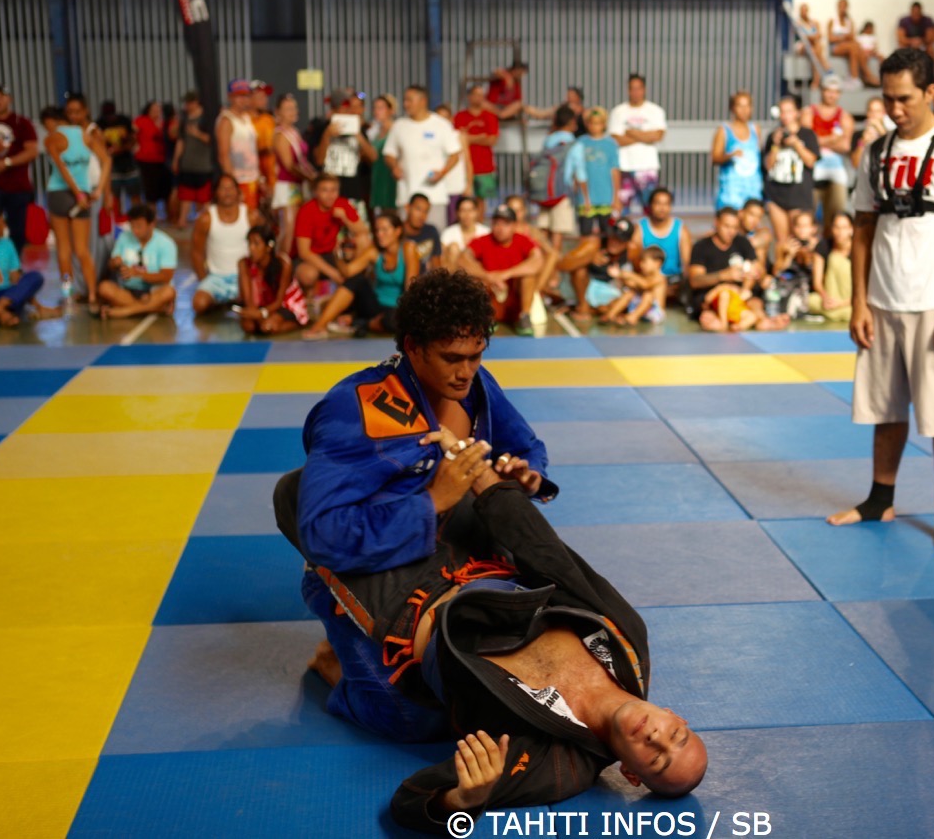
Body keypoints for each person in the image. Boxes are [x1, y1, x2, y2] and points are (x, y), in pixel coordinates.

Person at [272, 269, 704, 825]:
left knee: (411, 719)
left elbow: (525, 445)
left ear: (632, 775)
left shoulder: (563, 763)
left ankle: (344, 669)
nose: (468, 371)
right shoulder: (624, 641)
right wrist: (462, 496)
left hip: (411, 600)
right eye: (454, 356)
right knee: (296, 492)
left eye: (477, 355)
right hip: (426, 544)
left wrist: (461, 801)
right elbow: (551, 558)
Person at [828, 48, 934, 553]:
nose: (895, 108)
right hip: (883, 299)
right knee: (885, 409)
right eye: (887, 98)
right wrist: (859, 301)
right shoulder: (874, 152)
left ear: (931, 92)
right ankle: (881, 498)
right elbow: (861, 231)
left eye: (904, 98)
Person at [303, 210, 419, 340]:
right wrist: (337, 255)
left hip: (396, 310)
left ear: (398, 231)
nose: (380, 234)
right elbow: (347, 272)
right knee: (357, 280)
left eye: (385, 230)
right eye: (377, 230)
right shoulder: (374, 252)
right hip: (374, 306)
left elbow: (410, 289)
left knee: (393, 322)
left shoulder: (408, 248)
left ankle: (358, 322)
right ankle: (320, 326)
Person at [45, 98, 109, 314]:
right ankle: (91, 295)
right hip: (80, 194)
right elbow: (107, 161)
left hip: (61, 193)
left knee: (64, 250)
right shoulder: (86, 136)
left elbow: (61, 169)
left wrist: (80, 193)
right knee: (82, 250)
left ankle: (68, 295)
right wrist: (96, 189)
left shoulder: (53, 138)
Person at [384, 86, 461, 230]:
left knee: (435, 238)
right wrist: (394, 166)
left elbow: (455, 154)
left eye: (409, 100)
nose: (406, 104)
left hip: (435, 196)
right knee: (406, 240)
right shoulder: (399, 126)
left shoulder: (441, 124)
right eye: (405, 100)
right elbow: (389, 153)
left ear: (423, 101)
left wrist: (443, 172)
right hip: (406, 195)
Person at [458, 205, 543, 334]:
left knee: (528, 275)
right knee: (473, 277)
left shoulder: (522, 240)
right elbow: (463, 259)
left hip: (514, 299)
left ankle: (524, 317)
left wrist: (505, 274)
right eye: (496, 223)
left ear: (514, 225)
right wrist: (488, 276)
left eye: (506, 223)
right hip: (491, 299)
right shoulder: (483, 240)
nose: (500, 228)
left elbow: (538, 261)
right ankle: (484, 317)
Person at [0, 204, 60, 325]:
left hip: (5, 295)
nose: (4, 227)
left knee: (35, 277)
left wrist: (18, 281)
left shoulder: (7, 243)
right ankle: (0, 312)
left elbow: (15, 278)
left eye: (3, 223)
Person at [0, 85, 38, 252]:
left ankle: (14, 263)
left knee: (18, 230)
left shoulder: (22, 123)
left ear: (9, 99)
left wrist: (7, 162)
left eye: (1, 97)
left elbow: (32, 151)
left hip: (17, 186)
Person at [309, 86, 379, 219]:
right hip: (327, 197)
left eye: (350, 106)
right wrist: (327, 135)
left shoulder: (358, 129)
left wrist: (358, 135)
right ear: (335, 108)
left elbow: (373, 158)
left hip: (353, 192)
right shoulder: (322, 128)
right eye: (345, 105)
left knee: (358, 235)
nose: (349, 110)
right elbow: (318, 160)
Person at [295, 174, 373, 291]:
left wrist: (345, 219)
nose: (330, 195)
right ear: (315, 192)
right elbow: (304, 252)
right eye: (324, 190)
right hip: (312, 257)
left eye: (333, 190)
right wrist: (332, 273)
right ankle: (308, 300)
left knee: (364, 240)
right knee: (308, 275)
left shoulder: (341, 204)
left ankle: (352, 279)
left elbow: (363, 231)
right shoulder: (306, 211)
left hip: (333, 254)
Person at [98, 203, 177, 319]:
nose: (135, 230)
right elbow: (111, 265)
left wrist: (138, 274)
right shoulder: (124, 237)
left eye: (139, 226)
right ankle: (156, 308)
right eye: (132, 226)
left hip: (154, 290)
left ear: (151, 225)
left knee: (169, 292)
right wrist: (115, 263)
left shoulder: (166, 243)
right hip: (127, 290)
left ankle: (127, 311)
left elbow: (166, 276)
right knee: (104, 288)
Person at [191, 174, 255, 314]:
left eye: (231, 188)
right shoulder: (205, 219)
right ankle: (224, 303)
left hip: (244, 276)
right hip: (216, 278)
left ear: (238, 192)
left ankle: (232, 302)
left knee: (252, 302)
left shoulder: (251, 216)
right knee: (199, 304)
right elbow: (197, 253)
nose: (227, 192)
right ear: (215, 192)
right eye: (223, 188)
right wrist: (204, 281)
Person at [686, 206, 762, 323]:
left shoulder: (743, 243)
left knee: (757, 306)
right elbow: (695, 281)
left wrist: (754, 274)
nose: (731, 232)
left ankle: (759, 320)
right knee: (710, 318)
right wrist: (723, 276)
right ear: (716, 223)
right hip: (712, 297)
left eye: (735, 227)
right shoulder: (701, 247)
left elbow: (757, 268)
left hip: (740, 295)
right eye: (726, 226)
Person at [762, 94, 820, 246]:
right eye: (782, 111)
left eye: (789, 111)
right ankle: (783, 269)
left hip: (799, 195)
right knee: (782, 241)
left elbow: (811, 161)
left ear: (797, 112)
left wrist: (797, 144)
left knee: (800, 240)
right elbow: (768, 166)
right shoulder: (773, 136)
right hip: (777, 195)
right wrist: (775, 145)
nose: (785, 115)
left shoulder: (807, 135)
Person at [608, 75, 667, 214]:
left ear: (644, 89)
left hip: (647, 168)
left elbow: (658, 135)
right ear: (628, 90)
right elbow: (616, 139)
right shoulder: (618, 111)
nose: (635, 92)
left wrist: (630, 132)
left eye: (638, 88)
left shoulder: (655, 111)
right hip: (624, 167)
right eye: (632, 89)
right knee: (622, 210)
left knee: (651, 208)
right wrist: (644, 136)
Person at [235, 223, 307, 335]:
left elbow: (279, 301)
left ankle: (298, 323)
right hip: (260, 306)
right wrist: (255, 313)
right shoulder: (244, 263)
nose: (251, 248)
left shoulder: (284, 264)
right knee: (248, 326)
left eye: (256, 244)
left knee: (267, 327)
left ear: (268, 247)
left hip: (285, 304)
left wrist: (262, 314)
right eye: (249, 243)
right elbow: (248, 298)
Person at [567, 106, 622, 242]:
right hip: (586, 199)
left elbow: (615, 171)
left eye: (598, 123)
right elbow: (576, 169)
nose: (594, 126)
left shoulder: (611, 144)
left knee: (607, 234)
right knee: (585, 234)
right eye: (591, 122)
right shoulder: (580, 142)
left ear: (604, 124)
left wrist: (616, 197)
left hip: (605, 197)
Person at [270, 93, 314, 255]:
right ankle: (281, 266)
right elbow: (289, 165)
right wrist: (310, 178)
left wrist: (314, 175)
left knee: (295, 228)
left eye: (294, 108)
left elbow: (302, 161)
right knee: (287, 230)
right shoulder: (281, 135)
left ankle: (288, 262)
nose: (293, 111)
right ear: (278, 112)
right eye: (288, 109)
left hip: (296, 185)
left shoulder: (293, 132)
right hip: (286, 187)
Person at [532, 106, 580, 251]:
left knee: (543, 231)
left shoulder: (549, 139)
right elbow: (578, 173)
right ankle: (553, 267)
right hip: (562, 193)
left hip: (544, 192)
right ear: (572, 122)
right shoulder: (574, 144)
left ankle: (542, 263)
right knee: (557, 233)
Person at [809, 77, 854, 229]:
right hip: (813, 168)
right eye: (828, 91)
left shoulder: (845, 116)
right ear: (822, 91)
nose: (831, 95)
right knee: (808, 217)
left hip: (835, 170)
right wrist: (833, 139)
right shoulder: (810, 112)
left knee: (836, 215)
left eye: (835, 92)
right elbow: (808, 141)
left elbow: (846, 146)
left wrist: (819, 140)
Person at [633, 187, 692, 291]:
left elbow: (687, 262)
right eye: (658, 203)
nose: (662, 208)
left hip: (673, 280)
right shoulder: (640, 228)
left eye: (666, 204)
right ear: (651, 205)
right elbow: (635, 258)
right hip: (647, 279)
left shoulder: (680, 228)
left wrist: (687, 287)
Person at [712, 91, 763, 212]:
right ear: (732, 108)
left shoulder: (755, 129)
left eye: (747, 106)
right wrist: (730, 156)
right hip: (731, 189)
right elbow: (715, 158)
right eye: (740, 106)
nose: (744, 110)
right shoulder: (724, 130)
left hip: (752, 187)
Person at [215, 80, 260, 210]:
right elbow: (223, 155)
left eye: (246, 95)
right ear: (230, 97)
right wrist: (232, 187)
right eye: (239, 96)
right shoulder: (226, 120)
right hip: (239, 180)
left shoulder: (246, 118)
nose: (243, 99)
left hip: (252, 178)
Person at [173, 91, 214, 229]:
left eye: (189, 102)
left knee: (204, 197)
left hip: (204, 165)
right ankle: (182, 220)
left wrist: (197, 134)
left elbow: (213, 141)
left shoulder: (206, 119)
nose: (187, 106)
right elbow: (181, 141)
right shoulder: (184, 119)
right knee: (186, 195)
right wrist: (176, 159)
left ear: (196, 102)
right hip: (187, 164)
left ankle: (206, 221)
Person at [453, 85, 499, 208]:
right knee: (464, 200)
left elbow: (492, 140)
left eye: (481, 95)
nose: (479, 98)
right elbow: (457, 140)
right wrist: (480, 137)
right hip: (464, 168)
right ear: (469, 97)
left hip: (485, 167)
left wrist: (468, 138)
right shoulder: (459, 117)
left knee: (481, 202)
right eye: (476, 95)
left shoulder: (490, 116)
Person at [97, 100, 139, 216]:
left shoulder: (124, 121)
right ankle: (118, 217)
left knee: (134, 192)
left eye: (111, 116)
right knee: (115, 194)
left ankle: (137, 216)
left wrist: (122, 148)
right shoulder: (100, 124)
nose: (110, 119)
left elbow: (133, 139)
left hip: (127, 162)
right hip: (112, 164)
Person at [811, 211, 854, 322]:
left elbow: (865, 287)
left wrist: (841, 303)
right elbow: (817, 282)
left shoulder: (859, 249)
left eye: (844, 227)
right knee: (811, 301)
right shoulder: (823, 246)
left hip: (851, 299)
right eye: (836, 227)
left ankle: (836, 313)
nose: (840, 232)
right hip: (830, 296)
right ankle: (836, 312)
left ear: (851, 229)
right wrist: (826, 298)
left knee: (835, 259)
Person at [829, 0, 879, 87]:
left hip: (848, 46)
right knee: (853, 46)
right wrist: (844, 37)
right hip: (836, 47)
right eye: (841, 6)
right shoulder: (832, 21)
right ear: (837, 7)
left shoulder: (850, 22)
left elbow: (852, 37)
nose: (842, 8)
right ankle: (863, 76)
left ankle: (861, 77)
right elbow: (831, 38)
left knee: (857, 47)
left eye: (844, 6)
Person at [133, 101, 171, 216]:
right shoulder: (141, 121)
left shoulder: (163, 123)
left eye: (158, 109)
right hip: (145, 160)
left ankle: (168, 216)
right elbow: (131, 133)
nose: (156, 111)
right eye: (154, 109)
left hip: (161, 160)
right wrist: (135, 146)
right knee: (150, 191)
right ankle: (152, 216)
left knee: (165, 190)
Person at [441, 196, 490, 272]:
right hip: (455, 273)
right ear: (457, 213)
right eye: (463, 210)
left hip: (479, 275)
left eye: (470, 210)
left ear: (477, 212)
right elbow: (442, 258)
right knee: (454, 248)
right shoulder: (448, 233)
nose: (467, 214)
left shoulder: (486, 232)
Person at [248, 80, 277, 201]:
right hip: (251, 176)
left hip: (272, 176)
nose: (264, 100)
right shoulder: (245, 121)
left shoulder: (269, 119)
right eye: (260, 96)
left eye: (265, 97)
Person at [403, 193, 443, 274]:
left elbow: (436, 264)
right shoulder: (397, 232)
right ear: (407, 208)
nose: (422, 215)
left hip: (426, 282)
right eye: (418, 209)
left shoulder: (431, 231)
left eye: (426, 211)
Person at [852, 96, 893, 169]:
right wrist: (862, 142)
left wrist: (880, 130)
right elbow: (855, 164)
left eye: (877, 111)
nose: (874, 114)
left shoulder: (891, 133)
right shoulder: (858, 134)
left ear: (884, 113)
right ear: (867, 112)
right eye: (871, 111)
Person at [795, 4, 830, 87]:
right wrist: (812, 37)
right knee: (815, 47)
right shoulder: (798, 22)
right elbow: (802, 37)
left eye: (805, 10)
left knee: (815, 50)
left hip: (813, 47)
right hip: (802, 46)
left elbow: (819, 35)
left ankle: (816, 80)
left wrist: (811, 37)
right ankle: (825, 66)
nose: (804, 12)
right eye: (802, 10)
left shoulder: (814, 22)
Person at [738, 198, 772, 268]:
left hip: (757, 272)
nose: (755, 220)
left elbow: (766, 235)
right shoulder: (730, 234)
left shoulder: (760, 234)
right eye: (752, 215)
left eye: (759, 217)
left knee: (760, 250)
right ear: (741, 213)